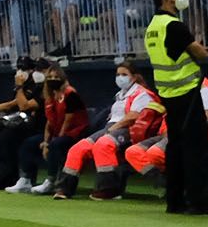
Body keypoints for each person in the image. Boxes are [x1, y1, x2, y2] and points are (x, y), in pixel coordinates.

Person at [145, 0, 208, 214]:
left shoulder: (153, 26)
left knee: (175, 148)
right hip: (186, 93)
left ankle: (175, 200)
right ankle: (198, 200)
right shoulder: (174, 25)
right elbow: (201, 54)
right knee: (195, 148)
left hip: (168, 94)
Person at [49, 63, 160, 200]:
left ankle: (108, 189)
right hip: (111, 127)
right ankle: (64, 188)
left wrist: (113, 128)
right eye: (118, 74)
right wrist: (109, 128)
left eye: (124, 74)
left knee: (103, 144)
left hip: (129, 129)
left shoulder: (142, 93)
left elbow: (134, 116)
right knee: (78, 148)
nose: (120, 78)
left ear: (135, 77)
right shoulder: (120, 95)